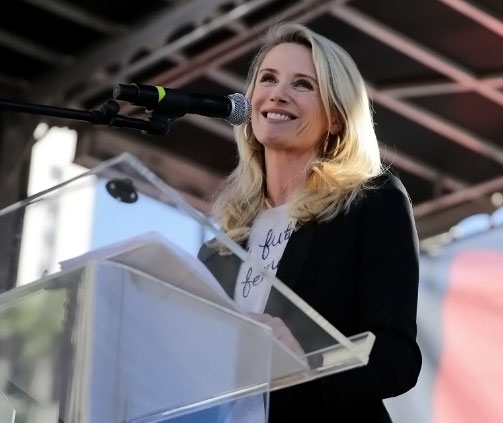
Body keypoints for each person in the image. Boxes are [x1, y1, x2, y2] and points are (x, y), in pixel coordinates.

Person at [198, 22, 421, 422]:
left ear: (336, 117)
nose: (278, 93)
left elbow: (396, 357)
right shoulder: (222, 245)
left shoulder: (370, 202)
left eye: (303, 84)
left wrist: (309, 361)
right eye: (268, 78)